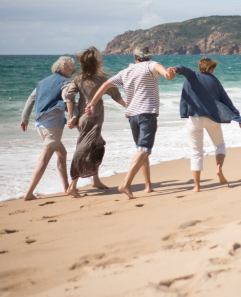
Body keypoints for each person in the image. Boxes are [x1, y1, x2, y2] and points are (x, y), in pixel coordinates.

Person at [85, 46, 174, 199]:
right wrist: (168, 74)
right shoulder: (151, 65)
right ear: (150, 56)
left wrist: (92, 103)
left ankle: (148, 186)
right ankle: (126, 184)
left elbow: (105, 85)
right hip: (146, 113)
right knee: (144, 149)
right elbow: (164, 72)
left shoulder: (125, 72)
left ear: (135, 58)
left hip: (132, 115)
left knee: (141, 150)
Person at [168, 57, 241, 193]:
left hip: (194, 120)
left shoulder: (192, 75)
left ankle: (196, 186)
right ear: (212, 68)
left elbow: (183, 69)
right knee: (219, 145)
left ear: (199, 67)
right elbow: (227, 101)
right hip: (212, 118)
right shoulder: (215, 81)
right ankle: (219, 168)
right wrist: (239, 118)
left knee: (196, 153)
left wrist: (174, 69)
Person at [63, 47, 126, 198]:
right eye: (100, 59)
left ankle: (95, 179)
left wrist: (72, 116)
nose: (102, 60)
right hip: (93, 119)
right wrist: (128, 106)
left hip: (83, 120)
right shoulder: (101, 80)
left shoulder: (78, 79)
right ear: (95, 63)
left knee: (98, 145)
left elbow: (69, 96)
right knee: (84, 149)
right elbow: (116, 95)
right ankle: (72, 185)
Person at [20, 56, 76, 201]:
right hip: (53, 126)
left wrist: (24, 119)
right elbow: (68, 97)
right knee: (43, 160)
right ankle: (29, 193)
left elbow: (31, 99)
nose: (75, 70)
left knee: (62, 153)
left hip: (40, 125)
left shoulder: (42, 81)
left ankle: (66, 188)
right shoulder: (65, 82)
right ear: (64, 67)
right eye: (72, 67)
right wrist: (73, 116)